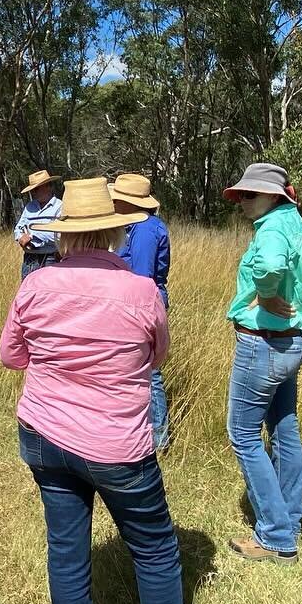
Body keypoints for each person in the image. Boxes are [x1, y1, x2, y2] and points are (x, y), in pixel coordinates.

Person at [0, 177, 235, 604]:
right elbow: (156, 357)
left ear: (62, 235)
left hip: (43, 432)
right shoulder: (141, 291)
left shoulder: (35, 286)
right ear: (114, 232)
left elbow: (12, 356)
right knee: (154, 550)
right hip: (117, 444)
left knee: (66, 550)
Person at [221, 162, 302, 566]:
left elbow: (273, 266)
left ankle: (277, 537)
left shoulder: (274, 229)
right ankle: (290, 519)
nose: (243, 201)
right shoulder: (294, 222)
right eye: (241, 194)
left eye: (250, 194)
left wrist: (263, 293)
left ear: (273, 195)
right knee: (284, 427)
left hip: (265, 345)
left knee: (242, 432)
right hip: (293, 341)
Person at [111, 174, 172, 450]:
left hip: (140, 306)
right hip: (132, 304)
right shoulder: (133, 227)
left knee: (149, 371)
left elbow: (142, 277)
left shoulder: (145, 230)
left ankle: (158, 437)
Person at [13, 169, 63, 279]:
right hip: (30, 259)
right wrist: (21, 237)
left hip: (51, 258)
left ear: (48, 187)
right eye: (32, 190)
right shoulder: (29, 207)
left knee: (50, 293)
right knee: (28, 293)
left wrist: (31, 235)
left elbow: (59, 235)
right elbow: (18, 229)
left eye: (36, 189)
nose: (33, 193)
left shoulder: (60, 207)